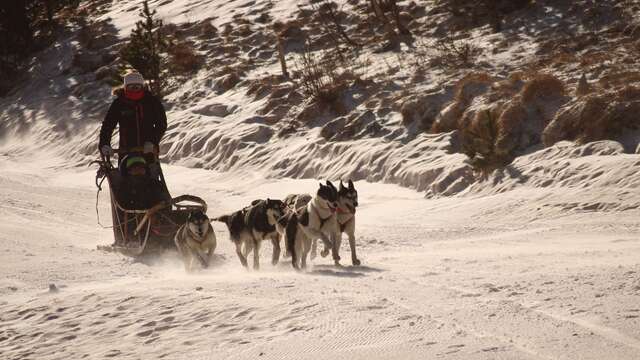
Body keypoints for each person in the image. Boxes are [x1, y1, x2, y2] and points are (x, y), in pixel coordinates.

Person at [98, 71, 167, 160]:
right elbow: (108, 125)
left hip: (148, 150)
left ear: (142, 87)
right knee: (124, 173)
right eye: (131, 87)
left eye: (137, 87)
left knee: (151, 172)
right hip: (126, 151)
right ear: (126, 87)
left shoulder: (152, 102)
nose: (134, 89)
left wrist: (153, 141)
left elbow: (161, 124)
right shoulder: (119, 103)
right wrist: (104, 144)